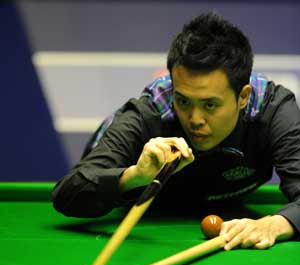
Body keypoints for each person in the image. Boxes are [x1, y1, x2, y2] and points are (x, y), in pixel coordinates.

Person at [52, 12, 300, 250]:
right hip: (150, 207)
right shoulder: (149, 113)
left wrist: (275, 224)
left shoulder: (273, 110)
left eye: (209, 105)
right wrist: (136, 176)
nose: (195, 119)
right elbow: (67, 194)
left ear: (243, 96)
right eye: (183, 101)